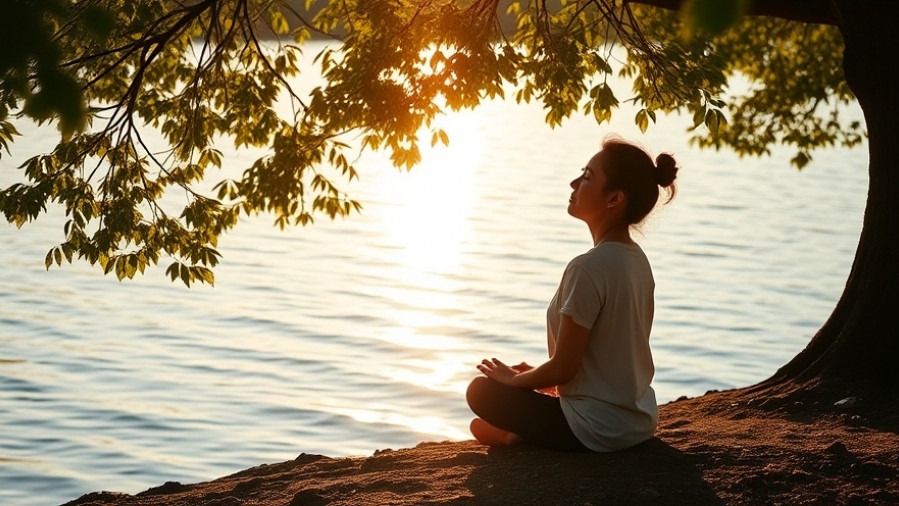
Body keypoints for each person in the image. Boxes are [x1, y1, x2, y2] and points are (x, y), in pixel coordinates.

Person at [465, 136, 678, 452]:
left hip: (594, 429)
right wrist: (538, 378)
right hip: (637, 423)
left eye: (588, 177)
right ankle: (522, 433)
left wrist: (513, 380)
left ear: (614, 198)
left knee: (481, 392)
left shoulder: (587, 268)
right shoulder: (637, 261)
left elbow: (565, 368)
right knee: (496, 406)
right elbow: (609, 358)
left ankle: (519, 439)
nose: (574, 182)